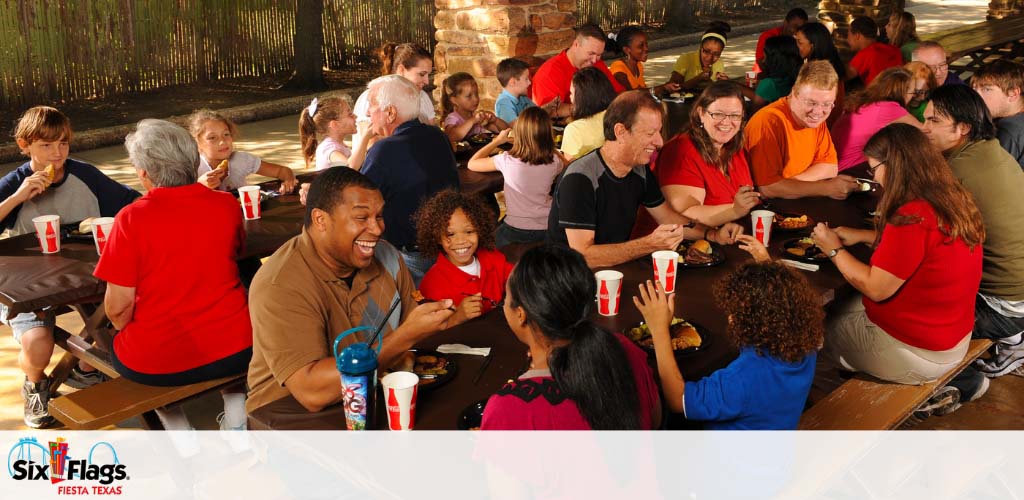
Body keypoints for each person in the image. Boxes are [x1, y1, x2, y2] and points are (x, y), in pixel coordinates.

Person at [246, 167, 456, 417]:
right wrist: (405, 337)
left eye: (379, 216)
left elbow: (413, 326)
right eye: (361, 218)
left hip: (370, 399)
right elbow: (311, 392)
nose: (377, 229)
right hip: (290, 418)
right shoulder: (280, 284)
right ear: (320, 220)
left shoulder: (387, 256)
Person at [94, 119, 252, 434]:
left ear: (143, 173)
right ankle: (236, 415)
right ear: (193, 161)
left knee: (112, 343)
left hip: (158, 360)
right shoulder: (225, 205)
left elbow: (117, 309)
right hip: (239, 347)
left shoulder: (131, 219)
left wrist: (137, 332)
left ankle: (178, 430)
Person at [813, 124, 984, 412]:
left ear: (894, 165)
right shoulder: (950, 197)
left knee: (812, 341)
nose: (875, 178)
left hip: (917, 351)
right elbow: (922, 250)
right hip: (952, 336)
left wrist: (833, 248)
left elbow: (875, 288)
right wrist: (865, 236)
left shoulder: (911, 216)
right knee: (841, 308)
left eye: (874, 168)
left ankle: (846, 417)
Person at [0, 106, 140, 428]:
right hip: (29, 284)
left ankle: (85, 369)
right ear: (25, 146)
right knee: (38, 344)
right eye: (46, 145)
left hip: (88, 275)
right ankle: (35, 385)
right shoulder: (15, 183)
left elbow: (133, 202)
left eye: (63, 143)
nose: (56, 153)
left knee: (127, 314)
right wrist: (18, 198)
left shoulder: (84, 175)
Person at [547, 90, 742, 268]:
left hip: (614, 270)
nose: (659, 142)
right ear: (620, 132)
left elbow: (668, 218)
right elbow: (583, 255)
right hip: (569, 280)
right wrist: (648, 244)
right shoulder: (580, 178)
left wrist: (712, 234)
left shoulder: (639, 170)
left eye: (658, 132)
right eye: (650, 133)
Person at [480, 245, 661, 430]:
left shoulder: (508, 409)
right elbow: (654, 421)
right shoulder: (625, 347)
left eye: (506, 297)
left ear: (520, 314)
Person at [634, 258, 823, 429]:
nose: (731, 318)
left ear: (763, 325)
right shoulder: (806, 347)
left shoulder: (740, 379)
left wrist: (659, 330)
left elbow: (676, 399)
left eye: (739, 315)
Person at [923, 85, 1024, 380]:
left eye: (934, 121)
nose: (924, 128)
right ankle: (1012, 343)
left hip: (1001, 309)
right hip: (1017, 296)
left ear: (963, 128)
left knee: (907, 311)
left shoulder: (956, 171)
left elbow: (924, 235)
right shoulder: (990, 150)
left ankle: (963, 381)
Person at [360, 75, 460, 285]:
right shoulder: (436, 135)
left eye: (372, 105)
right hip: (445, 245)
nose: (368, 112)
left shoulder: (384, 150)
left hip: (412, 259)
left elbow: (358, 200)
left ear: (390, 113)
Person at [633, 82, 758, 233]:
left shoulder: (734, 146)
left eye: (735, 115)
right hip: (673, 247)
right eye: (717, 114)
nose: (726, 122)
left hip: (727, 238)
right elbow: (684, 214)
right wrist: (735, 210)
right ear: (701, 113)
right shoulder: (681, 150)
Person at [744, 60, 858, 199]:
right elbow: (768, 188)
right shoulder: (768, 122)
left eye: (827, 104)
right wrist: (826, 188)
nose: (818, 112)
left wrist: (788, 185)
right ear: (794, 93)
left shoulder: (814, 119)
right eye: (811, 103)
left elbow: (829, 167)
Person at [468, 107, 564, 246]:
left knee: (485, 247)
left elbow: (472, 163)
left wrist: (497, 142)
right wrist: (551, 147)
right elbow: (569, 167)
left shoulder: (506, 160)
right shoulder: (555, 161)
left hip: (515, 228)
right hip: (547, 226)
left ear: (518, 133)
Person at [416, 190, 512, 326]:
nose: (461, 241)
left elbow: (516, 280)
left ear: (480, 230)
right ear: (437, 237)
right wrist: (458, 317)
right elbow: (428, 333)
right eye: (450, 234)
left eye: (469, 231)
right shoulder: (431, 284)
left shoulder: (492, 257)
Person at [832, 67, 922, 171]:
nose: (913, 97)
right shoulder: (888, 109)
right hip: (851, 170)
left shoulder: (861, 104)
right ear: (903, 92)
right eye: (913, 93)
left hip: (837, 167)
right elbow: (926, 133)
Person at [189, 109, 297, 193]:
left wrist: (289, 181)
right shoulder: (193, 169)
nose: (222, 142)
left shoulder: (241, 160)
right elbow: (176, 201)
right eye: (212, 138)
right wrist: (199, 186)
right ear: (197, 143)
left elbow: (282, 171)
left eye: (226, 134)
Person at [531, 24, 625, 120]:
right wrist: (588, 108)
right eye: (591, 53)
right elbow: (548, 111)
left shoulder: (597, 63)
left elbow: (618, 92)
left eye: (599, 55)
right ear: (576, 45)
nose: (594, 60)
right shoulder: (550, 72)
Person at [353, 42, 437, 147]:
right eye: (422, 74)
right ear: (401, 70)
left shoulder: (423, 96)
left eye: (428, 74)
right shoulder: (372, 97)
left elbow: (432, 136)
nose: (427, 81)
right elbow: (370, 145)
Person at [972, 60, 1024, 167]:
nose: (976, 97)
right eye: (974, 89)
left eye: (986, 89)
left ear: (1013, 94)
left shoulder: (1008, 131)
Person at [298, 95, 372, 171]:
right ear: (335, 124)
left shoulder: (338, 144)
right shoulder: (329, 149)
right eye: (350, 114)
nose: (355, 116)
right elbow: (350, 168)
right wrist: (365, 137)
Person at [794, 22, 847, 127]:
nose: (796, 46)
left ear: (813, 45)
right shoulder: (831, 65)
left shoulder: (819, 73)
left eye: (799, 42)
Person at [561, 66, 618, 160]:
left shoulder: (574, 130)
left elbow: (571, 169)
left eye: (571, 93)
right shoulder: (621, 114)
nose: (570, 98)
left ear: (581, 98)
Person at [608, 26, 681, 95]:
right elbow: (630, 94)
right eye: (641, 46)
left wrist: (665, 87)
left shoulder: (638, 65)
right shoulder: (618, 68)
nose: (646, 49)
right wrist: (662, 88)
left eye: (646, 44)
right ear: (627, 50)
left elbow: (643, 91)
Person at [441, 72, 509, 144]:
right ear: (454, 100)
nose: (476, 99)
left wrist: (495, 120)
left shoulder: (478, 117)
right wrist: (472, 120)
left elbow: (506, 131)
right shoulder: (453, 118)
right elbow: (451, 137)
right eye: (469, 96)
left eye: (476, 94)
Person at [669, 22, 731, 89]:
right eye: (706, 51)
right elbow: (672, 88)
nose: (710, 58)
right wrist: (698, 79)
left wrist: (723, 84)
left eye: (716, 54)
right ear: (701, 47)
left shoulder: (719, 63)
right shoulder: (686, 59)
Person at [746, 35, 803, 108]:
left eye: (765, 56)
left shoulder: (768, 84)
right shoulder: (800, 79)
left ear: (774, 60)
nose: (763, 61)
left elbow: (755, 111)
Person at [845, 16, 903, 86]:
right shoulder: (895, 50)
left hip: (877, 95)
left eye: (848, 35)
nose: (847, 39)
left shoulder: (867, 53)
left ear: (857, 35)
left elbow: (844, 77)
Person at [753, 8, 808, 73]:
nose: (797, 31)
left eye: (801, 28)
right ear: (785, 22)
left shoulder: (800, 39)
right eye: (795, 26)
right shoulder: (768, 36)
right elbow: (760, 61)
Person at [494, 58, 547, 124]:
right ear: (512, 82)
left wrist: (548, 107)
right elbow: (515, 126)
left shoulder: (523, 98)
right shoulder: (504, 103)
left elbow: (537, 113)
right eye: (526, 79)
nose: (529, 83)